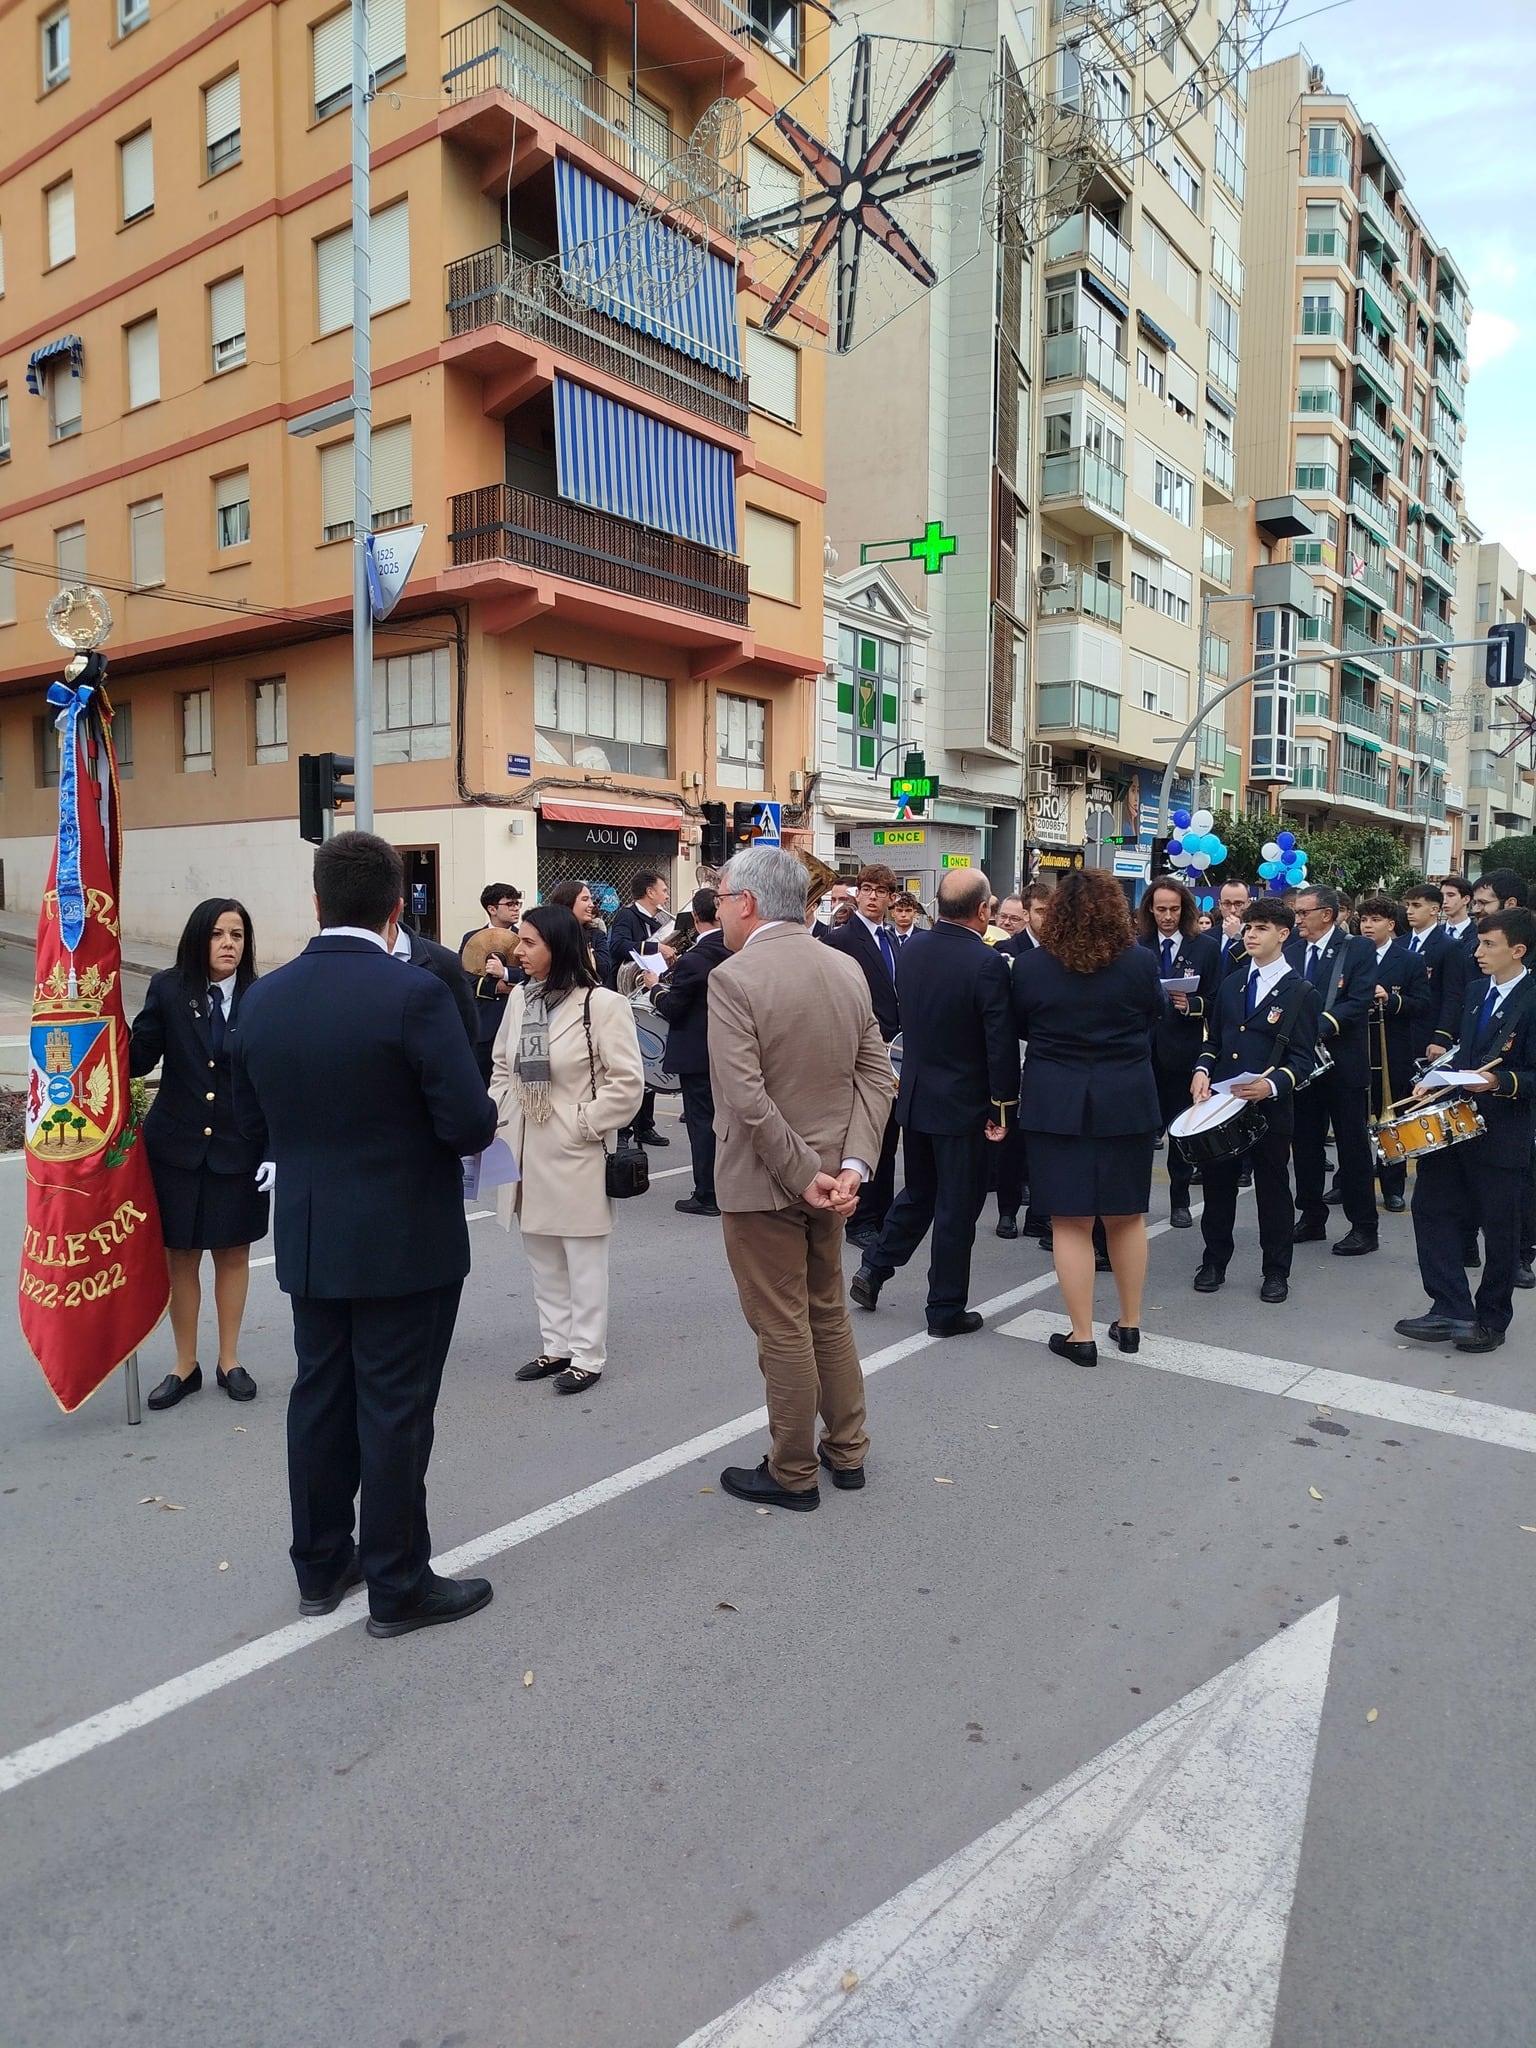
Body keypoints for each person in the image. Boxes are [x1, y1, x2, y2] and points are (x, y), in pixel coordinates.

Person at [232, 832, 497, 1637]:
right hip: (404, 1238)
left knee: (319, 1398)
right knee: (394, 1409)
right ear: (396, 909)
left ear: (317, 902)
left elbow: (252, 1126)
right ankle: (397, 1583)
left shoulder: (263, 998)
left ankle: (320, 1563)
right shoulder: (411, 994)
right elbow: (467, 1124)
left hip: (311, 1234)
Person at [707, 847, 892, 1510]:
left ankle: (791, 1470)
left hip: (767, 1183)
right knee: (827, 1314)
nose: (718, 908)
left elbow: (745, 1096)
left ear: (749, 902)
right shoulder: (843, 966)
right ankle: (847, 1450)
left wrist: (810, 1172)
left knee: (782, 1326)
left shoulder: (735, 978)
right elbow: (878, 1072)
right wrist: (850, 1166)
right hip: (830, 1179)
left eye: (723, 897)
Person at [850, 870, 1019, 1337]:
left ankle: (874, 1269)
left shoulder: (914, 948)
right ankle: (944, 1308)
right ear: (983, 911)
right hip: (962, 1106)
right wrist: (1002, 1108)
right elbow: (999, 1045)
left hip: (918, 1096)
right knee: (956, 1208)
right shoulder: (985, 963)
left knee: (919, 1193)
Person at [490, 905, 645, 1394]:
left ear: (559, 948)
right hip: (523, 1147)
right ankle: (555, 1345)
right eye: (520, 939)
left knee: (582, 1259)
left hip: (576, 1150)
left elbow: (627, 1083)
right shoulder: (521, 997)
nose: (519, 950)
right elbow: (500, 1065)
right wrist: (502, 1110)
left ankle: (587, 1354)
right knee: (541, 1253)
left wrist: (584, 1123)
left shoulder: (601, 1004)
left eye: (530, 942)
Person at [1010, 871, 1162, 1366]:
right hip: (1127, 1097)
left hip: (1056, 1100)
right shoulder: (1141, 963)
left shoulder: (1031, 967)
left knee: (1070, 1222)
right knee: (1126, 1216)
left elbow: (1019, 1024)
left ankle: (1081, 1335)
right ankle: (1131, 1323)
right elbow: (1154, 1015)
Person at [129, 898, 270, 1410]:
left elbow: (274, 1079)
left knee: (233, 1254)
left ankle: (228, 1360)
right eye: (217, 934)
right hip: (176, 1148)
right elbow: (139, 1058)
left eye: (237, 935)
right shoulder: (169, 990)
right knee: (180, 1256)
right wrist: (97, 1020)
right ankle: (183, 1364)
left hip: (241, 1147)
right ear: (198, 939)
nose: (229, 943)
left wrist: (275, 1148)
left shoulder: (261, 995)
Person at [1396, 906, 1536, 1353]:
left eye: (1489, 944)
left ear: (1518, 950)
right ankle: (1450, 1306)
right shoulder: (1477, 992)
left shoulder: (1532, 998)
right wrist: (1436, 1077)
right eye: (1478, 943)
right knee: (1431, 1208)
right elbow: (1465, 1052)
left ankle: (1491, 1320)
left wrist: (1500, 1080)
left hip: (1503, 1131)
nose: (1478, 952)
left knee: (1499, 1229)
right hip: (1456, 1123)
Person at [1190, 900, 1320, 1303]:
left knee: (1273, 1188)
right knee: (1218, 1185)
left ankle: (1276, 1270)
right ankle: (1214, 1260)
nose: (1250, 934)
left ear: (1283, 934)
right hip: (1225, 1104)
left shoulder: (1301, 992)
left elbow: (1303, 1059)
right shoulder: (1232, 984)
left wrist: (1273, 1085)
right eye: (1248, 927)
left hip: (1269, 1108)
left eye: (1261, 928)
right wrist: (1201, 1071)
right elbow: (1215, 1040)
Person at [1286, 884, 1380, 1256]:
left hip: (1343, 1064)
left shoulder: (1356, 948)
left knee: (1352, 1147)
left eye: (1303, 913)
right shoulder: (1291, 951)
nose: (1297, 920)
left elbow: (1358, 1002)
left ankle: (1364, 1226)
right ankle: (1311, 1216)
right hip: (1303, 1065)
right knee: (1305, 1144)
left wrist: (1315, 1026)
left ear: (1326, 914)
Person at [821, 863, 902, 1250]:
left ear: (891, 897)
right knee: (866, 1132)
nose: (872, 896)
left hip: (893, 1048)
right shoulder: (841, 939)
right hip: (859, 1046)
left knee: (887, 1135)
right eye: (866, 889)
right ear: (857, 893)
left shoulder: (894, 939)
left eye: (880, 891)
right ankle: (861, 1219)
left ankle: (881, 1211)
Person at [1135, 879, 1221, 1229]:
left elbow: (1217, 1000)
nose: (1167, 917)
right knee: (1140, 1132)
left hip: (1183, 1052)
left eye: (1174, 909)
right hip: (1142, 1052)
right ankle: (1134, 1202)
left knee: (1181, 1132)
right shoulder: (1137, 945)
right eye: (1161, 909)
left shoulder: (1206, 948)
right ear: (1150, 910)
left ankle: (1180, 1200)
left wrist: (1193, 1004)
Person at [651, 887, 730, 1217]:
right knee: (728, 1124)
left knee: (703, 1124)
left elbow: (673, 1007)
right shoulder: (736, 950)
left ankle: (707, 1194)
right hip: (731, 1052)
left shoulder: (694, 959)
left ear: (695, 918)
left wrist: (653, 987)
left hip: (699, 1056)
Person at [1355, 892, 1432, 1213]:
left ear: (1390, 924)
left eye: (1375, 920)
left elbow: (1422, 1004)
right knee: (1354, 1122)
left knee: (1392, 1120)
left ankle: (1393, 1186)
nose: (1368, 926)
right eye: (1363, 920)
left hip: (1393, 1049)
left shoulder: (1410, 960)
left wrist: (1391, 999)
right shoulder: (1350, 953)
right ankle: (1351, 1181)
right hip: (1357, 1046)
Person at [605, 869, 671, 1146]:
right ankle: (623, 1129)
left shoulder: (658, 920)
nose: (667, 894)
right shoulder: (626, 915)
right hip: (626, 995)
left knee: (650, 1062)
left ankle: (646, 1125)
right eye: (664, 889)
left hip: (647, 993)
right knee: (632, 1063)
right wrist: (655, 947)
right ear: (649, 892)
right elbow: (618, 946)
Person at [460, 883, 522, 1081]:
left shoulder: (526, 937)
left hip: (516, 1017)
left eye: (518, 903)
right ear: (492, 909)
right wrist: (498, 987)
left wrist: (505, 972)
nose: (516, 908)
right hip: (484, 1021)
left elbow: (533, 973)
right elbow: (465, 977)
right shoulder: (472, 938)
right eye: (510, 904)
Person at [1403, 883, 1469, 1060]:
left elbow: (1453, 995)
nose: (1409, 911)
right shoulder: (1399, 943)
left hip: (1427, 1031)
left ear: (1434, 909)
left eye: (1416, 906)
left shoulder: (1449, 946)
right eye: (1407, 905)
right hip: (1398, 1030)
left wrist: (1442, 1035)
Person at [547, 879, 612, 986]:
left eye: (591, 899)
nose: (591, 905)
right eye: (585, 899)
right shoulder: (548, 933)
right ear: (567, 902)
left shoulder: (596, 935)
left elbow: (604, 969)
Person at [1216, 879, 1253, 981]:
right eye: (1227, 904)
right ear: (1219, 904)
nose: (1232, 910)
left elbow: (1252, 963)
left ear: (1248, 903)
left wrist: (1236, 937)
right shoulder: (1208, 935)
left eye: (1238, 904)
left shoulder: (1256, 934)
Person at [1440, 875, 1478, 955]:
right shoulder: (1435, 933)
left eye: (1450, 895)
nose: (1444, 901)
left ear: (1466, 899)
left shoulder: (1478, 934)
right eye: (1442, 896)